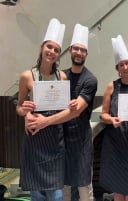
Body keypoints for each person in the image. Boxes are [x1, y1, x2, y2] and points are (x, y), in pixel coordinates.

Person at [26, 23, 98, 201]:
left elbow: (75, 112)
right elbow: (41, 104)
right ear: (70, 50)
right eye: (76, 49)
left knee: (84, 190)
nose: (79, 53)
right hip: (60, 142)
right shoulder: (61, 76)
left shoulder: (90, 80)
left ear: (86, 54)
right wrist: (28, 115)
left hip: (81, 143)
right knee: (63, 189)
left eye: (82, 50)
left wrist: (46, 121)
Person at [16, 18, 67, 201]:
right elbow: (20, 107)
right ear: (42, 47)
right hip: (35, 139)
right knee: (36, 195)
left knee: (57, 195)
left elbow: (65, 111)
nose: (52, 52)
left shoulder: (62, 77)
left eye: (56, 50)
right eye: (49, 47)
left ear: (59, 55)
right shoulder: (27, 76)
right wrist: (25, 111)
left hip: (55, 139)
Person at [99, 34, 128, 201]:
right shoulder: (112, 86)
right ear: (117, 68)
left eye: (127, 63)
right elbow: (103, 113)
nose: (125, 67)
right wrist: (111, 120)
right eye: (121, 65)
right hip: (115, 143)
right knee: (117, 190)